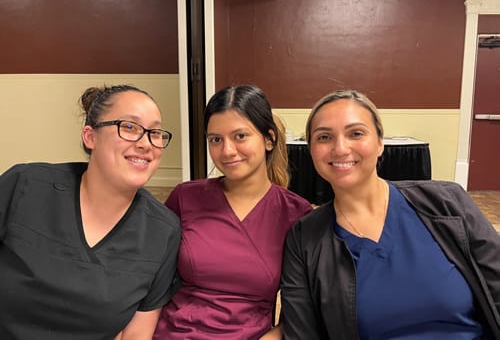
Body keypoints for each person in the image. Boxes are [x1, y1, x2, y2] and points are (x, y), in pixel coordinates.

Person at [280, 89, 500, 339]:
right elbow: (301, 333)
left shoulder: (447, 203)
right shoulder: (304, 238)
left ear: (380, 143)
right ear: (311, 150)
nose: (340, 148)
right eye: (324, 137)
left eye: (356, 133)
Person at [0, 85, 181, 340]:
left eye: (155, 132)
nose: (146, 143)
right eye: (129, 127)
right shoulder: (24, 186)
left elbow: (136, 335)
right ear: (90, 136)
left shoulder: (163, 231)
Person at [153, 85, 312, 339]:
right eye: (215, 139)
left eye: (240, 136)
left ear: (269, 139)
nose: (227, 151)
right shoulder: (185, 198)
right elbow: (151, 282)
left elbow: (299, 312)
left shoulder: (296, 214)